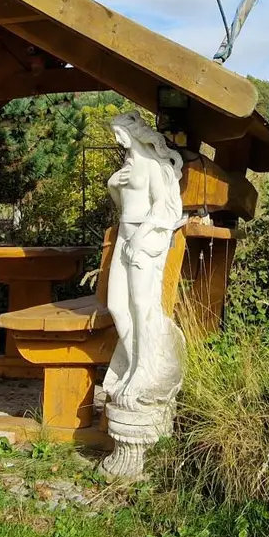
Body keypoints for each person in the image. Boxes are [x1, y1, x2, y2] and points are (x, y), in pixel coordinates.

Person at [103, 112, 186, 408]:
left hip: (143, 239)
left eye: (118, 133)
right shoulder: (127, 166)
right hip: (125, 236)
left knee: (141, 305)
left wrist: (140, 239)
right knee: (116, 303)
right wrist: (113, 184)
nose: (116, 139)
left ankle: (143, 369)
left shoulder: (152, 164)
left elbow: (163, 206)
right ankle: (137, 360)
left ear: (132, 132)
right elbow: (122, 204)